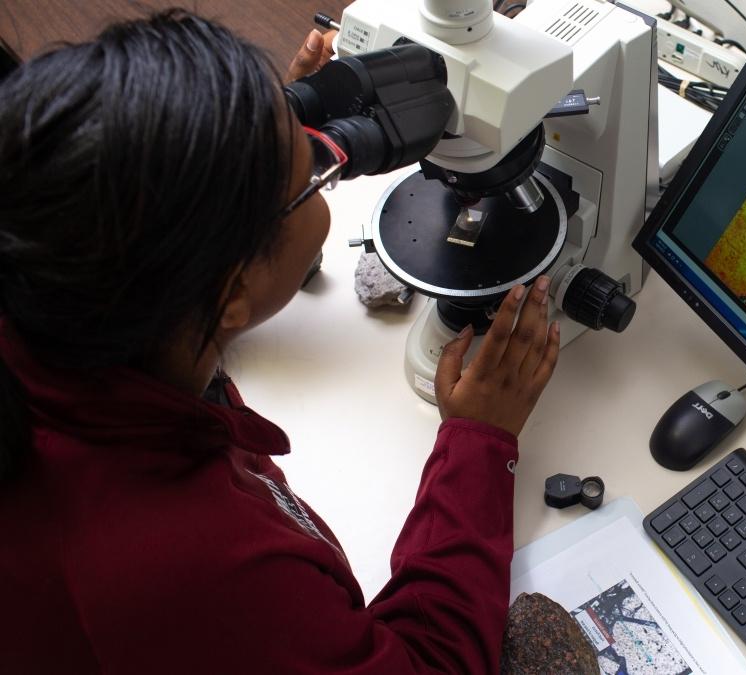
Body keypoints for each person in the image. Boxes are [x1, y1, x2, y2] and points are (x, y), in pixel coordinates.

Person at [0, 10, 560, 673]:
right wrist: (478, 442)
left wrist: (249, 134)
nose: (327, 159)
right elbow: (428, 664)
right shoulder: (197, 565)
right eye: (316, 173)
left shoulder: (58, 294)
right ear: (228, 293)